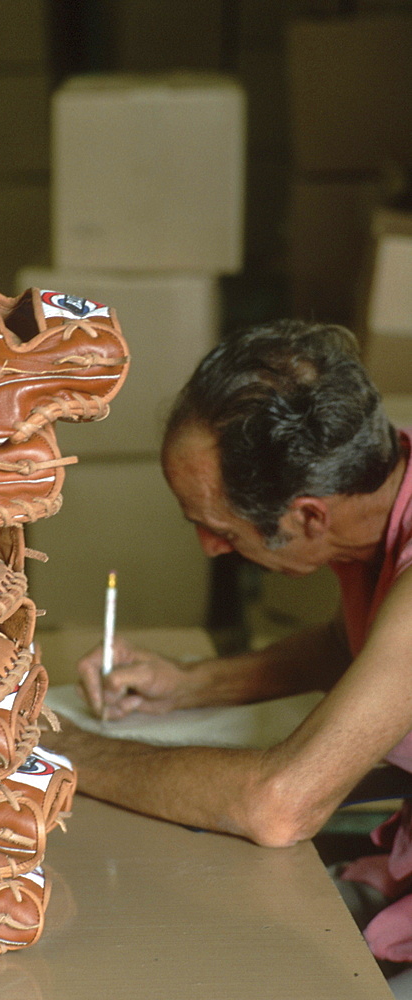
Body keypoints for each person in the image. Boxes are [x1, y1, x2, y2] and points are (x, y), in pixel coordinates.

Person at [44, 320, 412, 973]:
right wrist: (191, 683)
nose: (210, 549)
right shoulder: (381, 492)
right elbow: (349, 644)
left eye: (217, 529)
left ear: (307, 516)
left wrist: (63, 751)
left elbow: (278, 806)